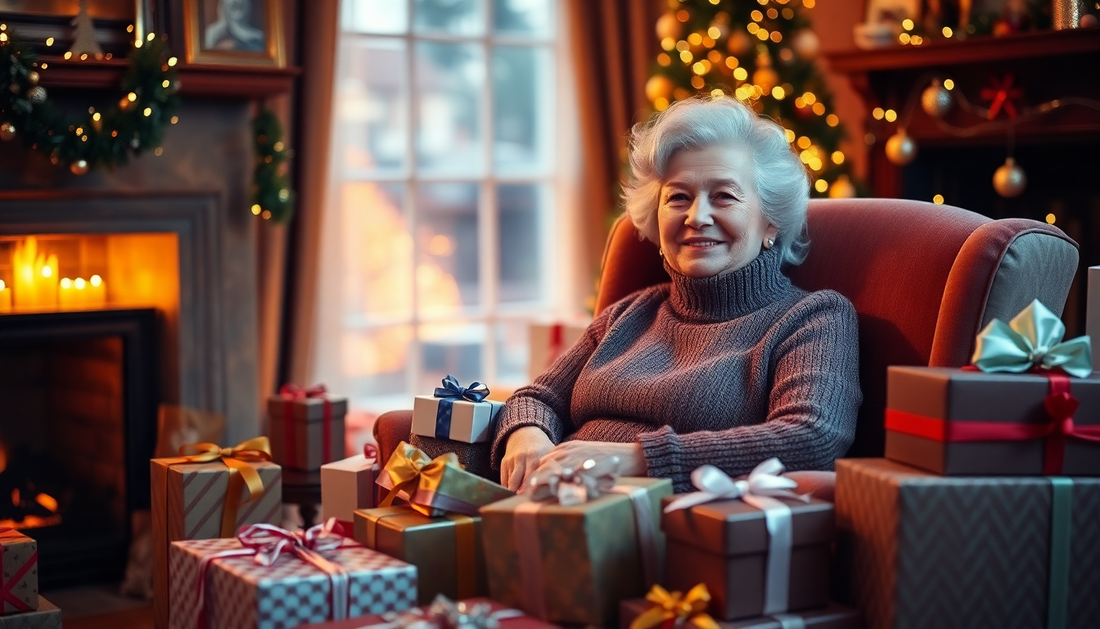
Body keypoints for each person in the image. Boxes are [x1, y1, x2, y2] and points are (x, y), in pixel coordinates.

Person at [494, 95, 862, 493]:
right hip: (555, 506)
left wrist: (635, 459)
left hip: (667, 531)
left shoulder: (813, 317)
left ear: (770, 221)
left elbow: (812, 438)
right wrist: (527, 436)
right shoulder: (630, 313)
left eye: (724, 195)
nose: (697, 217)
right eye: (678, 197)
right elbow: (539, 397)